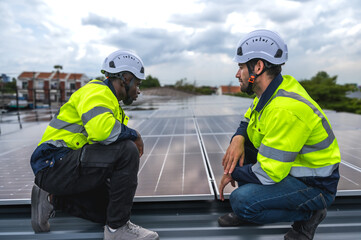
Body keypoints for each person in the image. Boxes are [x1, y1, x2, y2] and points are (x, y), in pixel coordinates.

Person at [218, 30, 341, 240]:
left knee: (241, 201)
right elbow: (248, 119)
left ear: (257, 67)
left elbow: (268, 173)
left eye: (240, 67)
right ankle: (258, 203)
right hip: (292, 171)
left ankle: (310, 213)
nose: (238, 74)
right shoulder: (269, 93)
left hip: (314, 185)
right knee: (246, 141)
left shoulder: (285, 109)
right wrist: (238, 138)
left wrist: (233, 174)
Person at [30, 50, 159, 240]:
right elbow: (102, 131)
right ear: (125, 78)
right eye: (137, 84)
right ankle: (117, 230)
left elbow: (100, 147)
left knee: (109, 210)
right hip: (53, 162)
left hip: (62, 168)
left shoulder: (110, 103)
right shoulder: (97, 92)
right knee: (127, 150)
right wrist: (134, 134)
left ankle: (51, 198)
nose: (138, 90)